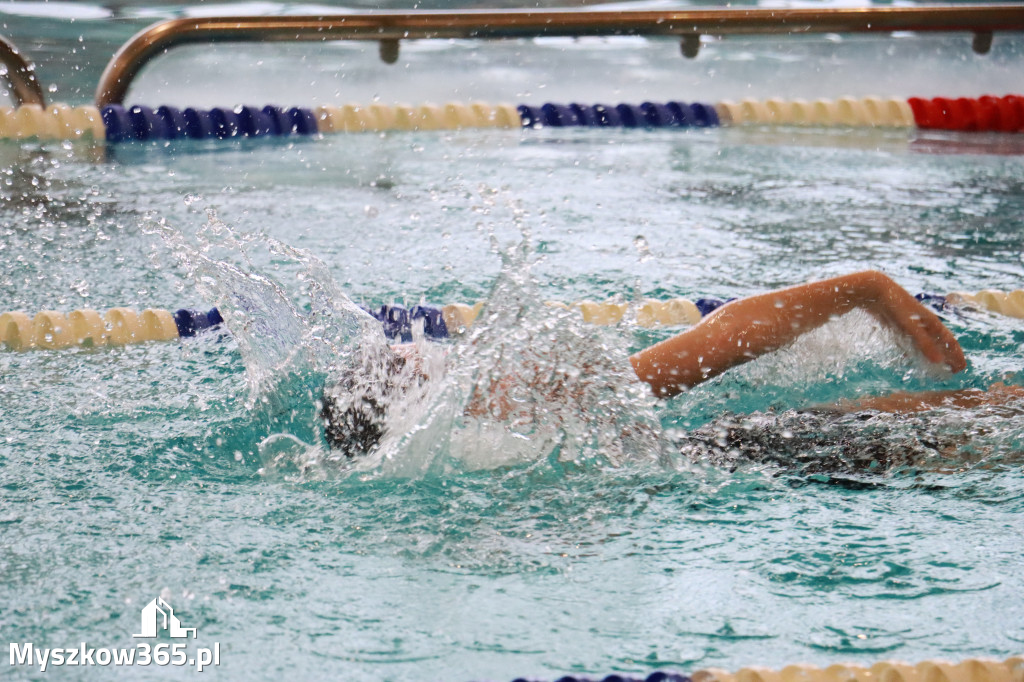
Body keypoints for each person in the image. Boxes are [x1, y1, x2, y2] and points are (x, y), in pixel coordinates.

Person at [321, 270, 1023, 459]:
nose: (439, 349)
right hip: (749, 455)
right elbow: (710, 348)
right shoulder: (513, 391)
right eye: (422, 357)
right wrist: (864, 289)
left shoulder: (471, 442)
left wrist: (864, 288)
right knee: (996, 414)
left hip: (736, 457)